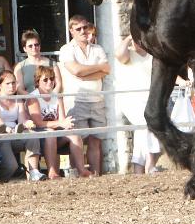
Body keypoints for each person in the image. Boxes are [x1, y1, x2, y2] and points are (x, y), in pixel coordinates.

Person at [58, 15, 110, 177]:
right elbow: (75, 71)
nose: (83, 31)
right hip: (76, 100)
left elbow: (106, 69)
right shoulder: (66, 49)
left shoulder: (97, 48)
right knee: (77, 140)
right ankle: (79, 175)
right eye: (78, 29)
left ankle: (95, 175)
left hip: (97, 99)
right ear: (71, 31)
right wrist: (97, 69)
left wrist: (84, 73)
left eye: (85, 28)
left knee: (96, 139)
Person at [114, 34, 161, 174]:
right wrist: (129, 37)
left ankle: (138, 167)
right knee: (147, 125)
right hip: (131, 100)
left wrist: (182, 82)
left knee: (143, 130)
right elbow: (118, 54)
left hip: (149, 99)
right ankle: (150, 163)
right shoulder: (128, 54)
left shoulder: (153, 55)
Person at [0, 71, 44, 182]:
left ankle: (34, 171)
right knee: (12, 166)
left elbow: (21, 120)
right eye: (8, 83)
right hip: (0, 135)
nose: (12, 86)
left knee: (32, 136)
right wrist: (8, 129)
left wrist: (26, 124)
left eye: (14, 83)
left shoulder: (18, 99)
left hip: (15, 133)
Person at [26, 65, 74, 180]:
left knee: (74, 135)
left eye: (52, 79)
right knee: (50, 133)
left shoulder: (57, 96)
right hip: (37, 133)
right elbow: (38, 123)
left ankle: (80, 170)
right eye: (45, 79)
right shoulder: (33, 97)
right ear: (38, 81)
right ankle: (52, 172)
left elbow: (62, 119)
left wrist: (67, 124)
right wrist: (61, 123)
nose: (50, 82)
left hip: (54, 131)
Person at [14, 29, 62, 94]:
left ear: (40, 46)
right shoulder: (20, 67)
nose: (34, 47)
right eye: (30, 46)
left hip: (50, 101)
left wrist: (51, 98)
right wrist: (33, 99)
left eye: (36, 45)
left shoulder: (52, 64)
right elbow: (19, 89)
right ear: (24, 48)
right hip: (30, 102)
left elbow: (58, 84)